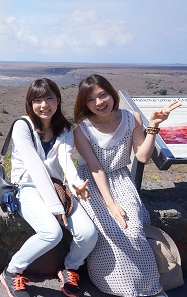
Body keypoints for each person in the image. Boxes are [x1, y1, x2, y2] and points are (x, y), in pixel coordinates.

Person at [72, 74, 182, 297]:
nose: (99, 103)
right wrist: (110, 204)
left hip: (121, 180)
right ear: (84, 104)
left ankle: (150, 287)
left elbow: (142, 156)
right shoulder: (81, 130)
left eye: (102, 95)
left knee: (131, 230)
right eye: (91, 100)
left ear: (111, 93)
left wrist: (153, 126)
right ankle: (119, 285)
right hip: (92, 184)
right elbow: (95, 168)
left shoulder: (131, 119)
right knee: (109, 230)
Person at [0, 78, 97, 297]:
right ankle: (12, 271)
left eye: (49, 98)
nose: (44, 105)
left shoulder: (64, 130)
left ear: (58, 100)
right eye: (38, 100)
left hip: (56, 187)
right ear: (30, 104)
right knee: (51, 233)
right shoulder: (22, 126)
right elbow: (34, 166)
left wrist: (76, 185)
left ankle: (69, 267)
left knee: (88, 234)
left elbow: (65, 162)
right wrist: (56, 207)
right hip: (27, 187)